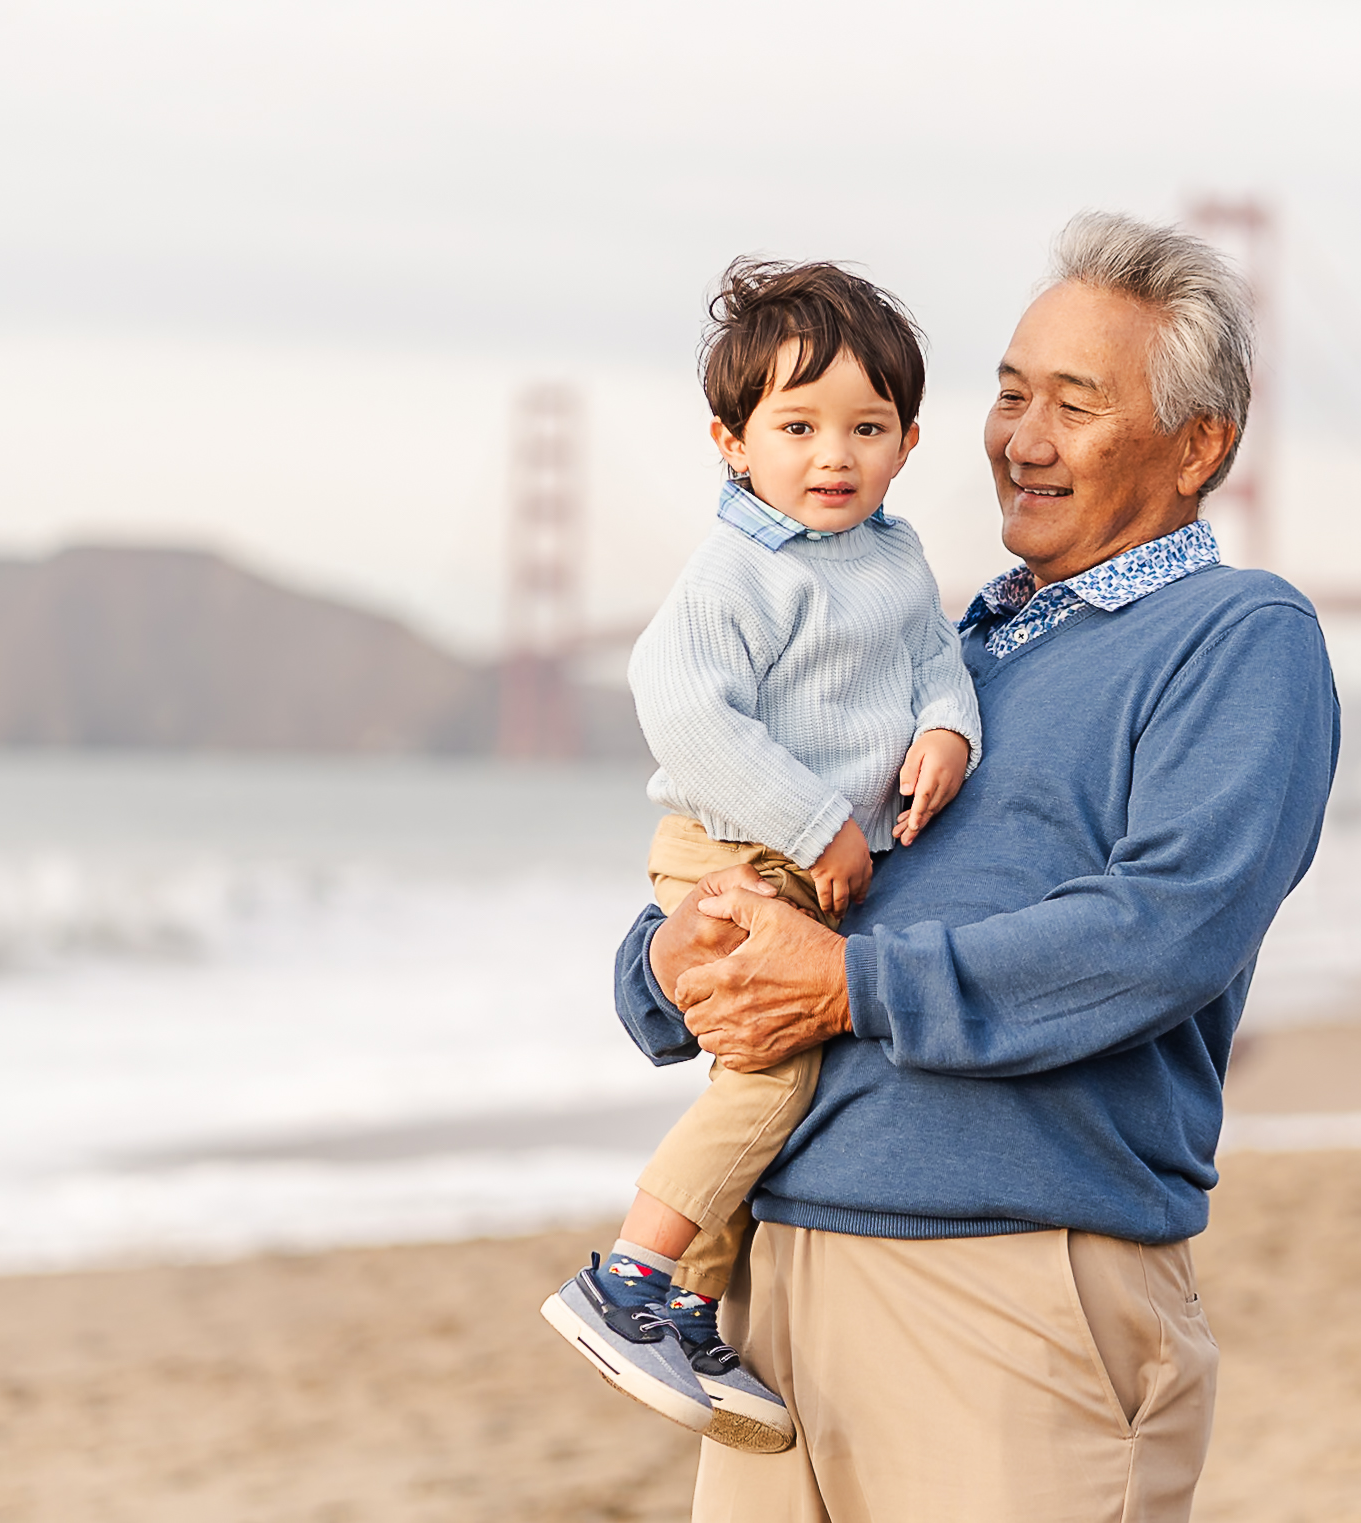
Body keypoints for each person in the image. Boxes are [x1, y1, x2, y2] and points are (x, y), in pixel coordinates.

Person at [614, 210, 1340, 1522]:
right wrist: (666, 968)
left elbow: (1160, 929)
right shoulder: (939, 646)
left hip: (1011, 1296)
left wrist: (850, 985)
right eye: (1009, 395)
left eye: (1075, 403)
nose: (1021, 438)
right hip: (769, 1301)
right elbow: (765, 859)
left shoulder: (1235, 637)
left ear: (1199, 445)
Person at [542, 259, 981, 1454]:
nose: (830, 455)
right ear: (731, 442)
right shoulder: (735, 571)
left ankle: (691, 1304)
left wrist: (948, 726)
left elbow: (931, 659)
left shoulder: (890, 556)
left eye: (865, 427)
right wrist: (815, 825)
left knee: (771, 1079)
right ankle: (629, 1276)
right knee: (769, 1075)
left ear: (905, 441)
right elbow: (682, 711)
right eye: (795, 426)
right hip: (733, 849)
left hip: (803, 852)